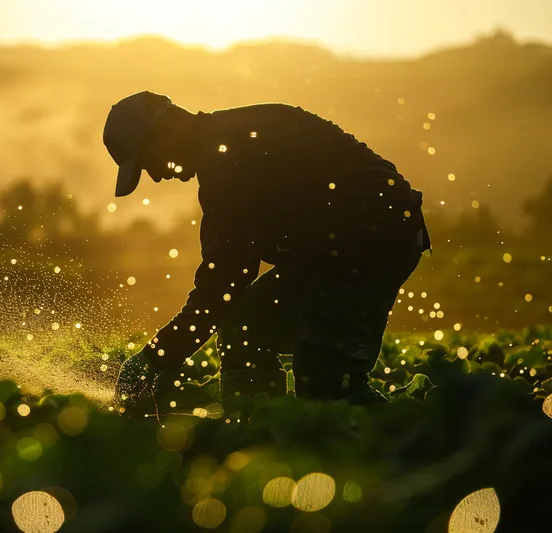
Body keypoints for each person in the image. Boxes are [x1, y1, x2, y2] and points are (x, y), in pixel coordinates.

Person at [102, 91, 431, 418]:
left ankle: (427, 433)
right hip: (339, 247)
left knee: (329, 390)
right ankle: (256, 430)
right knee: (245, 328)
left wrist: (155, 358)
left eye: (148, 161)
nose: (157, 175)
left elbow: (223, 285)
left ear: (165, 130)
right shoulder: (224, 145)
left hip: (369, 241)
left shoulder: (228, 159)